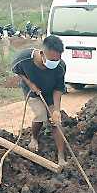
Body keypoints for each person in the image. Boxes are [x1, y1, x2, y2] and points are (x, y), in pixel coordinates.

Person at [11, 35, 67, 167]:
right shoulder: (24, 58)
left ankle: (61, 157)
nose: (54, 62)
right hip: (34, 92)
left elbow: (58, 89)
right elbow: (18, 71)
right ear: (42, 53)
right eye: (52, 59)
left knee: (56, 122)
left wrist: (57, 110)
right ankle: (34, 138)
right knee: (41, 114)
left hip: (50, 93)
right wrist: (29, 83)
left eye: (57, 59)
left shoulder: (60, 67)